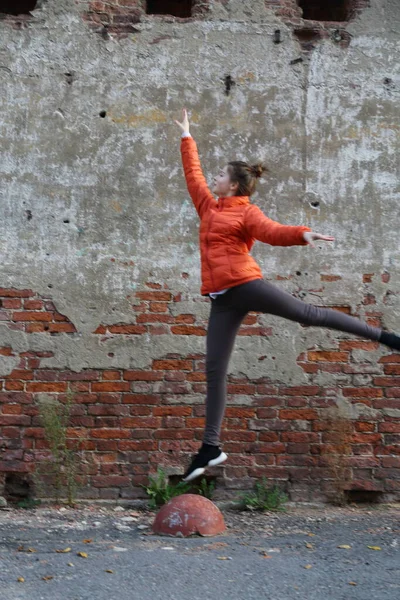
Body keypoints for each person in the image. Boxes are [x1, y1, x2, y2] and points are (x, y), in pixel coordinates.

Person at [174, 109, 400, 482]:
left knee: (307, 314)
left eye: (221, 175)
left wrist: (302, 234)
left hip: (246, 285)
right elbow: (193, 174)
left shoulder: (246, 213)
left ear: (233, 186)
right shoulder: (207, 206)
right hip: (222, 300)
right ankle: (210, 448)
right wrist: (187, 137)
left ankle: (385, 337)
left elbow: (271, 230)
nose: (213, 178)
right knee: (214, 371)